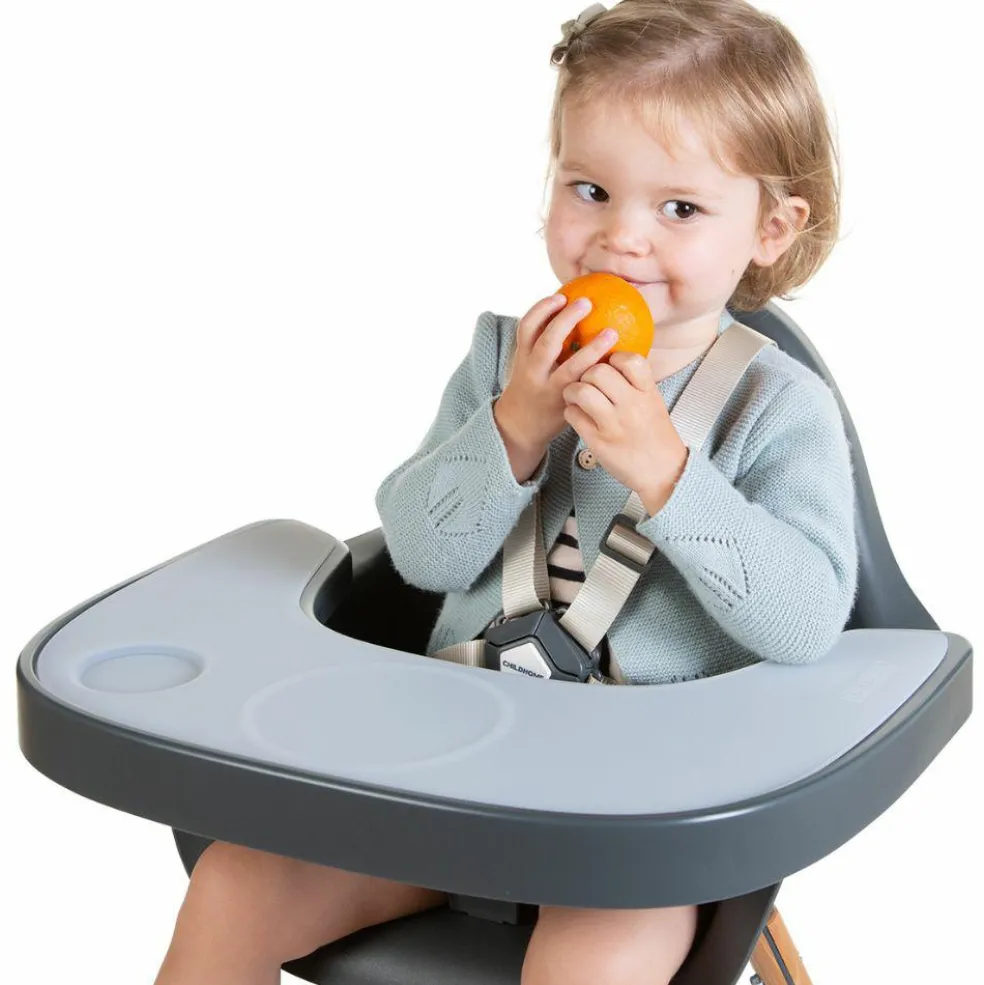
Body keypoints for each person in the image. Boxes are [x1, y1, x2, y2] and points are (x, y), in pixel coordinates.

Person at [154, 3, 858, 982]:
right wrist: (514, 427)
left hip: (636, 823)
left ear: (770, 229)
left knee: (592, 960)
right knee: (236, 880)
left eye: (680, 209)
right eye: (590, 189)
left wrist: (670, 474)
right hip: (450, 771)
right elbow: (419, 557)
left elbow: (807, 619)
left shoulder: (778, 410)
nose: (620, 238)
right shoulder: (501, 361)